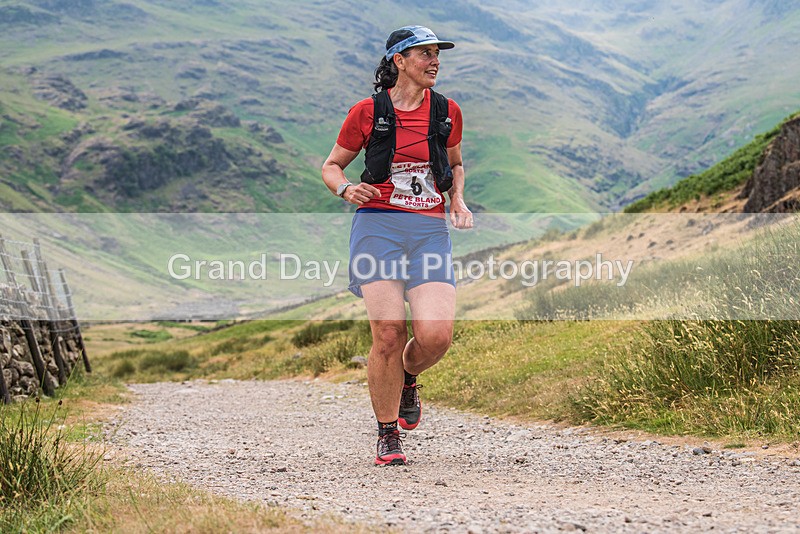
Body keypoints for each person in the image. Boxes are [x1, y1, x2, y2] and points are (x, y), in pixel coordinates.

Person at [322, 25, 473, 466]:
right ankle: (388, 433)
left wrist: (457, 200)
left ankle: (407, 376)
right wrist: (346, 189)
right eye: (424, 53)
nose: (434, 61)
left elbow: (457, 164)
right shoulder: (366, 112)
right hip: (378, 227)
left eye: (436, 53)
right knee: (388, 333)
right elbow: (332, 166)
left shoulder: (447, 111)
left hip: (428, 231)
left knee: (436, 336)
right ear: (398, 61)